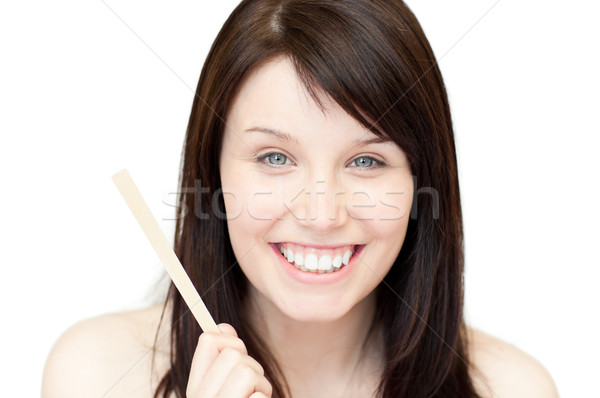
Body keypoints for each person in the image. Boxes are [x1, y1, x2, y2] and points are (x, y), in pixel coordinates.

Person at [42, 1, 559, 397]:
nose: (320, 214)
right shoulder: (96, 373)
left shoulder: (513, 387)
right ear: (212, 172)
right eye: (274, 158)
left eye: (366, 162)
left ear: (423, 183)